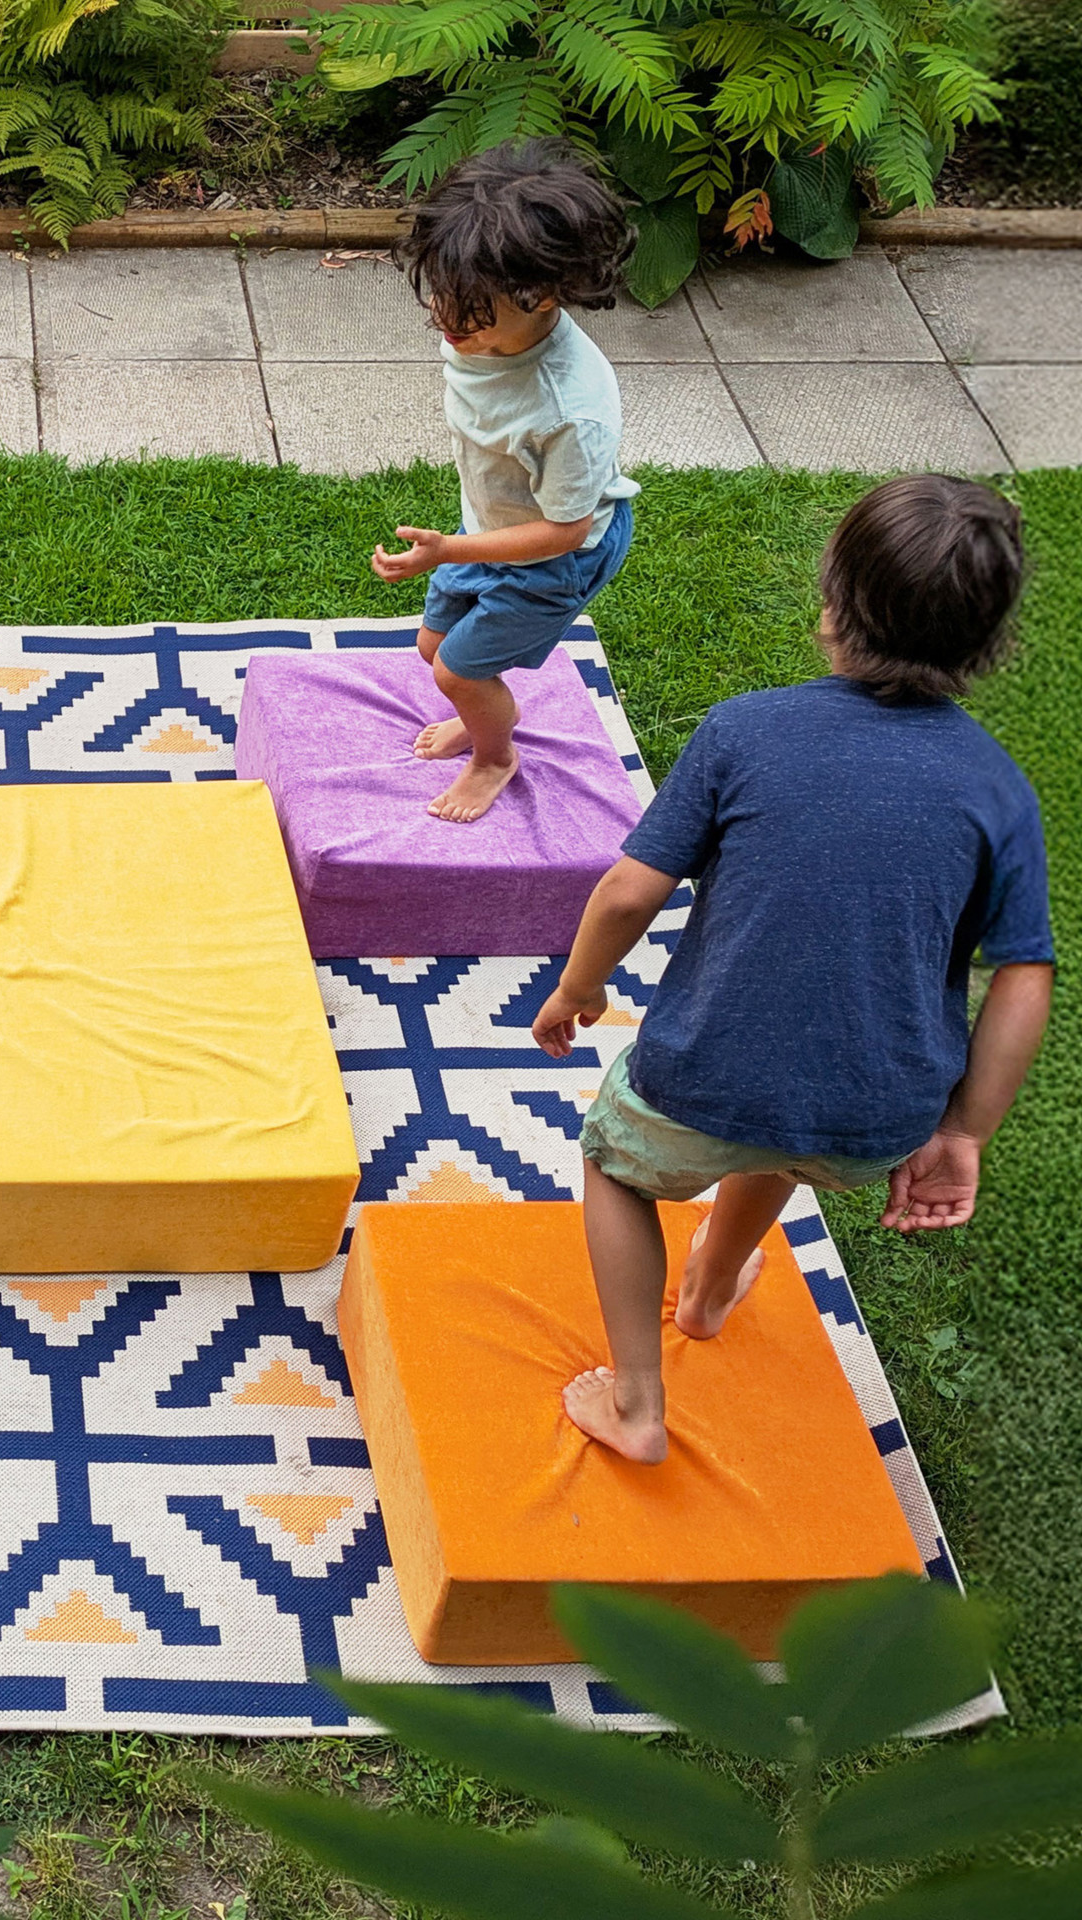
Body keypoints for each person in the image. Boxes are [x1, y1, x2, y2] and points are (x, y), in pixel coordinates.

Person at [532, 474, 1055, 1464]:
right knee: (782, 1138)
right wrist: (963, 1131)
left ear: (832, 604)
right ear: (988, 645)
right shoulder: (999, 789)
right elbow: (1025, 976)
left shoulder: (745, 730)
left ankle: (637, 1405)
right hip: (875, 1119)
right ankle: (709, 1289)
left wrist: (579, 985)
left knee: (613, 1166)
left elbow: (630, 894)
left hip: (707, 1075)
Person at [371, 139, 640, 822]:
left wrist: (448, 551)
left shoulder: (568, 410)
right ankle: (485, 710)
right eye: (441, 291)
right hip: (493, 524)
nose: (443, 316)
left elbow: (565, 531)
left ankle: (495, 757)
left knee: (457, 670)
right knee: (434, 647)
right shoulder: (481, 333)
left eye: (468, 303)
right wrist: (461, 543)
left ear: (540, 294)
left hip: (557, 554)